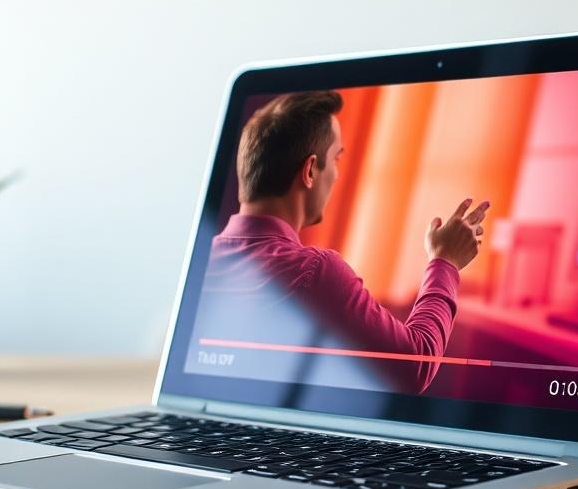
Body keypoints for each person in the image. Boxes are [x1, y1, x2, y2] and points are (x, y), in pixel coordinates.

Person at [199, 90, 489, 393]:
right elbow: (415, 367)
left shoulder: (203, 261)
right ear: (310, 170)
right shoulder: (314, 270)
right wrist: (445, 262)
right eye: (336, 158)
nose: (337, 174)